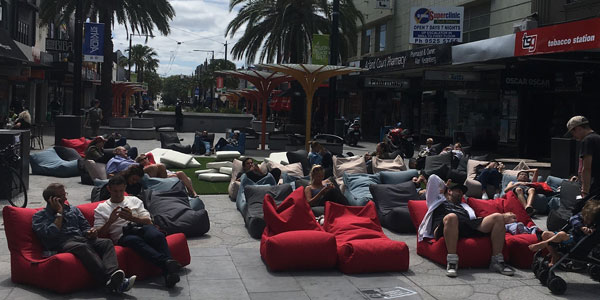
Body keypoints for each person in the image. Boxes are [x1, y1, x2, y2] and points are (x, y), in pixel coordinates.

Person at [32, 183, 136, 293]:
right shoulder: (40, 216)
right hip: (62, 243)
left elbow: (85, 227)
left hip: (81, 238)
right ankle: (110, 280)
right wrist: (59, 213)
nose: (66, 198)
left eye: (65, 194)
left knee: (106, 243)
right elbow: (50, 235)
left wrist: (90, 232)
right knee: (82, 247)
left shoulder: (73, 209)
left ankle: (113, 275)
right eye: (62, 196)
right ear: (52, 199)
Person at [417, 175, 517, 277]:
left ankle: (497, 261)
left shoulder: (464, 206)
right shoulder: (437, 201)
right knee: (452, 217)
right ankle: (452, 262)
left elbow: (473, 220)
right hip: (445, 226)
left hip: (466, 225)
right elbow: (433, 178)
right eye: (458, 190)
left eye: (462, 192)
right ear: (449, 191)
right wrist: (445, 186)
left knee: (498, 217)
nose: (461, 193)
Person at [94, 176, 182, 288]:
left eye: (121, 190)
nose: (118, 194)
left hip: (141, 227)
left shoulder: (134, 200)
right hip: (123, 235)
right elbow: (99, 234)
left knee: (156, 235)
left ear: (125, 188)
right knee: (134, 241)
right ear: (109, 189)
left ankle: (169, 271)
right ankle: (168, 265)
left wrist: (132, 218)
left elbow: (148, 221)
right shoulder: (101, 208)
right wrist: (110, 221)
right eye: (115, 191)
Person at [528, 199, 600, 266]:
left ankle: (544, 244)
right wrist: (581, 227)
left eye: (588, 219)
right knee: (545, 234)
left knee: (561, 234)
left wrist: (589, 231)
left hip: (576, 243)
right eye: (585, 217)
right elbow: (572, 219)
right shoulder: (580, 218)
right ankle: (555, 255)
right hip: (568, 237)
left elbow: (592, 234)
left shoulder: (593, 226)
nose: (586, 219)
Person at [566, 116, 600, 198]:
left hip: (592, 185)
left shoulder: (587, 141)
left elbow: (587, 168)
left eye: (572, 132)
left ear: (578, 128)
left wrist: (585, 192)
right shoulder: (598, 138)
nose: (573, 136)